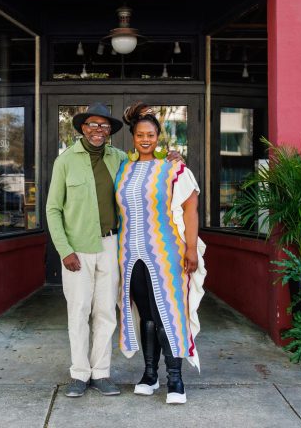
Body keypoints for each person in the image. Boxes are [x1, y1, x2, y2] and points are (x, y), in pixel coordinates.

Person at [115, 102, 206, 405]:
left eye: (151, 134)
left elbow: (190, 208)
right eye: (140, 134)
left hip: (166, 254)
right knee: (147, 315)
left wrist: (191, 248)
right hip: (130, 254)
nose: (145, 139)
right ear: (133, 137)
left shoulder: (173, 167)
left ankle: (176, 379)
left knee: (167, 312)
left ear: (158, 136)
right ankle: (150, 374)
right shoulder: (124, 169)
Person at [45, 102, 127, 398]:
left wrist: (170, 158)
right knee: (78, 311)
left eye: (104, 126)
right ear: (82, 128)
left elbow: (146, 176)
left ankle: (101, 372)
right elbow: (53, 209)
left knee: (106, 311)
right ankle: (80, 374)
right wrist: (64, 250)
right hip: (77, 248)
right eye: (92, 124)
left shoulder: (120, 158)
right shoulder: (65, 161)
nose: (98, 130)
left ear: (109, 132)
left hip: (111, 246)